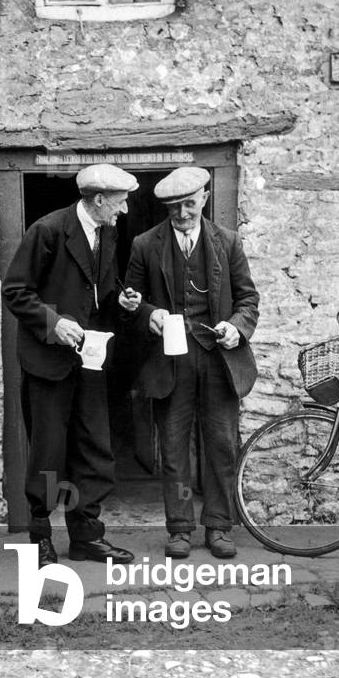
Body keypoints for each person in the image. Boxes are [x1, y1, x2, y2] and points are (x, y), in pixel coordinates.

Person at [2, 163, 141, 567]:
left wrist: (121, 300)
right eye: (120, 202)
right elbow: (16, 290)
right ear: (98, 200)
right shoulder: (47, 231)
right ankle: (40, 538)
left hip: (89, 359)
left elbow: (99, 291)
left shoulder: (108, 232)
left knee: (94, 448)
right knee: (48, 451)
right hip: (48, 361)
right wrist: (54, 323)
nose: (125, 210)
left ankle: (86, 536)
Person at [124, 166, 259, 559]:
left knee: (221, 445)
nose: (182, 213)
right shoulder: (145, 245)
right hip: (170, 361)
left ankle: (218, 526)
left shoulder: (228, 242)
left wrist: (236, 328)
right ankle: (180, 529)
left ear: (204, 198)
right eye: (173, 207)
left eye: (188, 204)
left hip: (219, 360)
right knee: (173, 447)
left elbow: (248, 300)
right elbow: (131, 302)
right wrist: (146, 312)